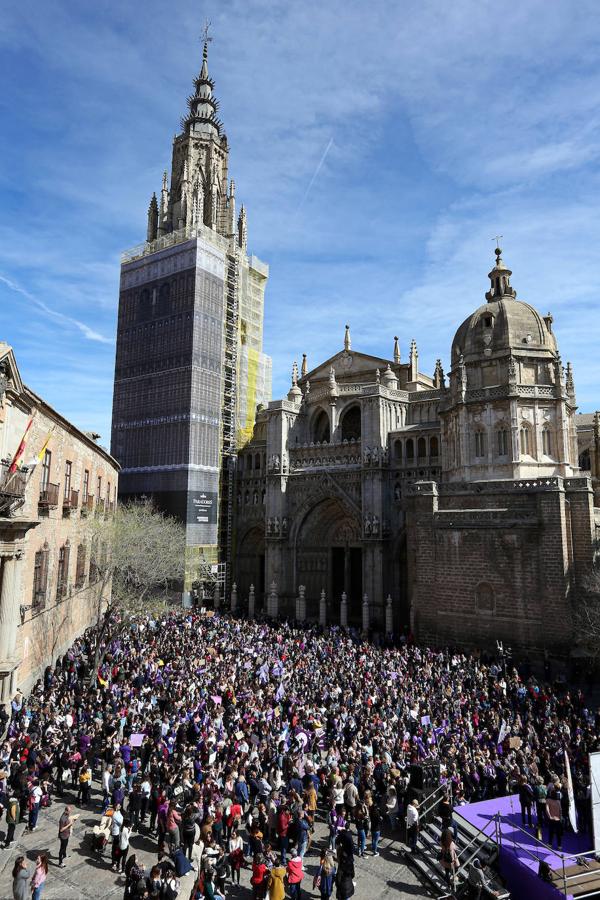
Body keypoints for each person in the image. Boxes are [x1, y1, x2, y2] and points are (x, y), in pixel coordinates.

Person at [440, 827, 459, 891]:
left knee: (447, 871)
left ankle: (448, 883)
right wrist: (453, 860)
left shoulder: (442, 842)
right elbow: (452, 853)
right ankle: (453, 880)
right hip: (451, 859)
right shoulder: (450, 844)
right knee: (456, 867)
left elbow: (442, 850)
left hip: (445, 858)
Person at [546, 787, 563, 851]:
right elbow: (560, 810)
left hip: (552, 819)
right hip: (558, 819)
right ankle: (559, 846)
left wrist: (549, 816)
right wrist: (560, 818)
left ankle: (550, 844)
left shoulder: (548, 800)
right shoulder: (558, 801)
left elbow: (547, 809)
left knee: (551, 832)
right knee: (558, 833)